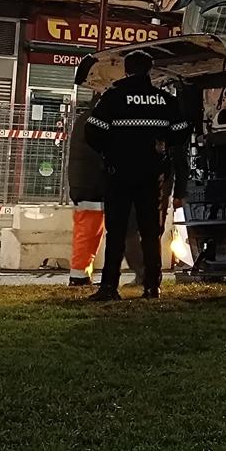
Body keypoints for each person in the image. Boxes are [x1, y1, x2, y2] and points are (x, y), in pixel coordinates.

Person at [84, 50, 191, 301]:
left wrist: (111, 151)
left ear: (126, 70)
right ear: (149, 71)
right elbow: (180, 133)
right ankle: (152, 287)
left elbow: (93, 132)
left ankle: (109, 287)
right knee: (150, 232)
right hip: (151, 175)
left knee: (117, 231)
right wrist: (159, 144)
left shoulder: (113, 97)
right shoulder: (164, 100)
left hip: (119, 173)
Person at [124, 140, 186, 286]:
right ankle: (146, 274)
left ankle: (146, 274)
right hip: (151, 177)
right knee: (140, 231)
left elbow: (179, 158)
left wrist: (179, 192)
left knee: (144, 230)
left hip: (155, 178)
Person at [66, 103, 106, 287]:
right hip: (92, 185)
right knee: (89, 233)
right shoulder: (98, 121)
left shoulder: (84, 119)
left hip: (83, 184)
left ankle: (81, 274)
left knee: (86, 232)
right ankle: (79, 275)